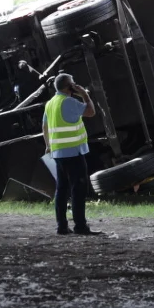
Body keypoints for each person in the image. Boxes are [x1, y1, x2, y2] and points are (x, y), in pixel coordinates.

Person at [42, 73, 98, 235]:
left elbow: (44, 127)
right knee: (78, 189)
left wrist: (48, 146)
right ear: (69, 87)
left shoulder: (50, 103)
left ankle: (62, 226)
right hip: (73, 152)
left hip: (58, 153)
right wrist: (85, 94)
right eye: (73, 84)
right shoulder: (68, 102)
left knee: (61, 189)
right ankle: (80, 226)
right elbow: (91, 112)